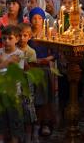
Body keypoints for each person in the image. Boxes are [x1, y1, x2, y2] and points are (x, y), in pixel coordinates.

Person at [0, 25, 24, 143]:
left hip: (14, 94)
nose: (6, 41)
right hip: (0, 93)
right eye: (4, 38)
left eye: (10, 38)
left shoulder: (19, 54)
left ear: (17, 39)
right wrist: (8, 62)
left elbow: (14, 74)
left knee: (14, 122)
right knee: (0, 122)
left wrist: (1, 61)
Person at [28, 7, 56, 137]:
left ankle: (45, 123)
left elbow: (55, 53)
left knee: (44, 97)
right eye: (34, 18)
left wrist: (46, 59)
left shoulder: (47, 34)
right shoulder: (27, 34)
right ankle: (32, 124)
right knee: (32, 98)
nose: (37, 21)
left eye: (40, 18)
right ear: (30, 19)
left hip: (44, 69)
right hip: (31, 68)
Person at [18, 23, 37, 143]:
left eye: (25, 35)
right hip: (16, 84)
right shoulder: (13, 50)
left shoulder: (31, 52)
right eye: (19, 35)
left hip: (26, 84)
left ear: (29, 37)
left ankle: (29, 136)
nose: (22, 38)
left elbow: (32, 70)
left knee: (28, 110)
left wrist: (24, 64)